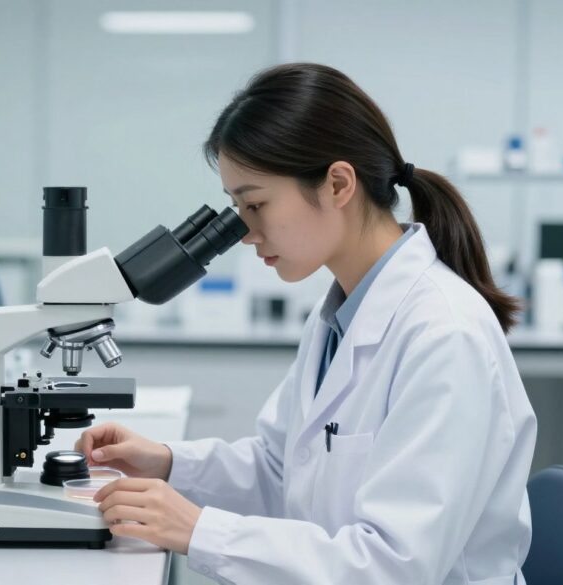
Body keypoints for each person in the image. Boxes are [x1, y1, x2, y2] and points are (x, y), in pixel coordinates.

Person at [76, 63, 537, 584]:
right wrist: (166, 463)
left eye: (255, 204)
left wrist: (199, 529)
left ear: (338, 184)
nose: (245, 232)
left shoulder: (445, 335)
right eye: (236, 208)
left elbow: (393, 565)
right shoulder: (340, 316)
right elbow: (283, 468)